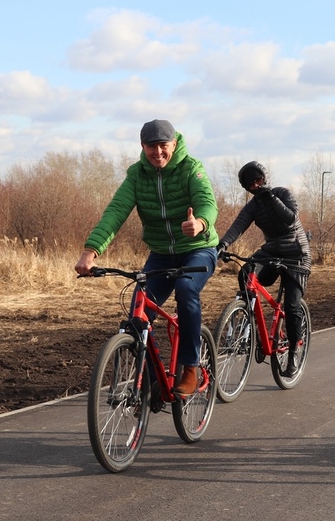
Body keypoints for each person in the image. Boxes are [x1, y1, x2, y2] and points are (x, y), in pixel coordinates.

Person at [75, 119, 219, 397]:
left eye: (163, 145)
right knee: (137, 318)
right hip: (161, 254)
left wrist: (200, 223)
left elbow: (207, 203)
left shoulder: (192, 168)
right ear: (143, 147)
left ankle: (191, 367)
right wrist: (90, 252)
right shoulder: (136, 175)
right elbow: (115, 212)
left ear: (174, 144)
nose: (158, 152)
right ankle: (153, 380)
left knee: (186, 288)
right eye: (151, 146)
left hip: (198, 249)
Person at [217, 161, 312, 377]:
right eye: (250, 185)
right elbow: (238, 225)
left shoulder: (282, 193)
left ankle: (292, 353)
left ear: (264, 179)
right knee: (246, 272)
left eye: (258, 181)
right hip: (271, 251)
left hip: (297, 254)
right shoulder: (253, 206)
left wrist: (271, 197)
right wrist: (223, 244)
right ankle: (248, 319)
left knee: (292, 305)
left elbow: (291, 218)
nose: (256, 186)